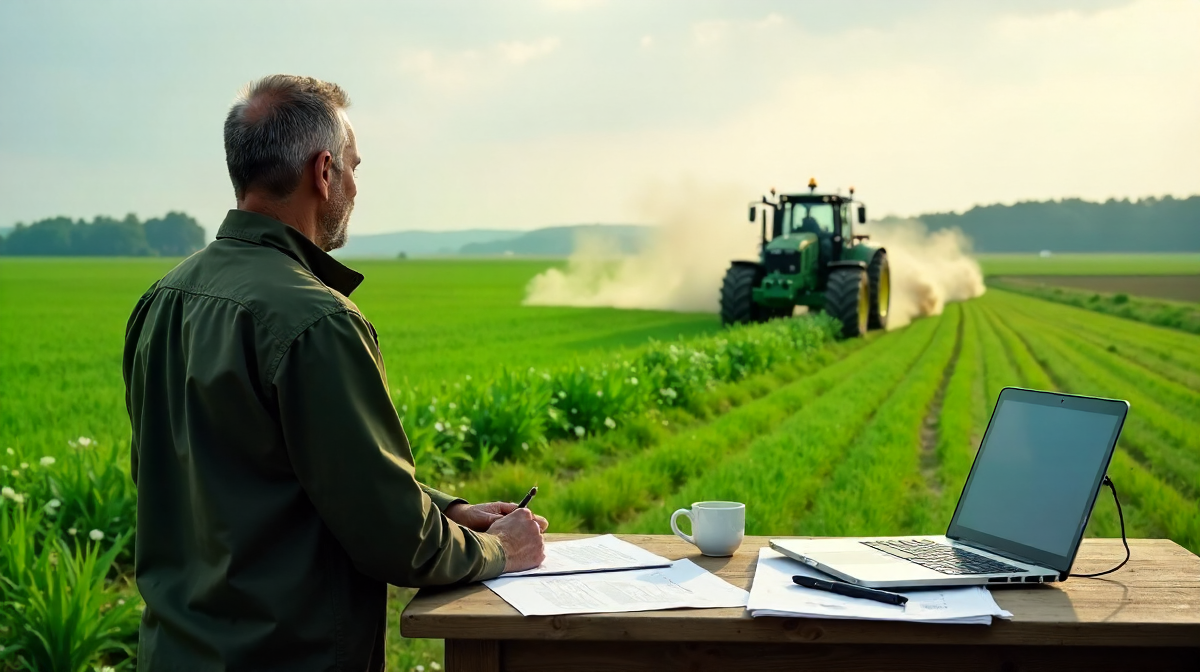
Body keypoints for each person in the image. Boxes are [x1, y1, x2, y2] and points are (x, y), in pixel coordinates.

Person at [122, 74, 547, 671]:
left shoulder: (161, 299)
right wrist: (498, 550)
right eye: (353, 166)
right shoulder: (316, 319)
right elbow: (392, 536)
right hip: (287, 658)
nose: (354, 184)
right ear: (323, 173)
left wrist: (448, 510)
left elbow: (257, 477)